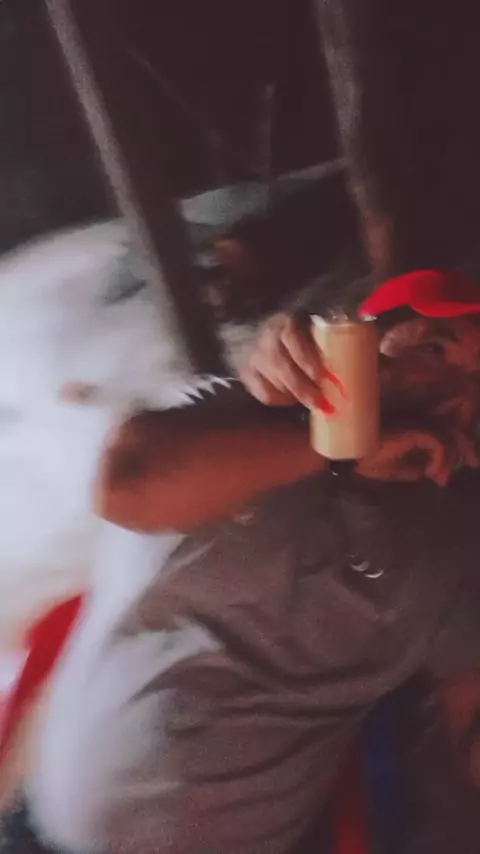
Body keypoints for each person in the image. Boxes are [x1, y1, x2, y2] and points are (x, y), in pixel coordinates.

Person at [28, 269, 480, 854]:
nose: (453, 390)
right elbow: (127, 485)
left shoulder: (449, 540)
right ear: (364, 339)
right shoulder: (238, 414)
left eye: (477, 382)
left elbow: (466, 716)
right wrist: (341, 445)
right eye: (435, 350)